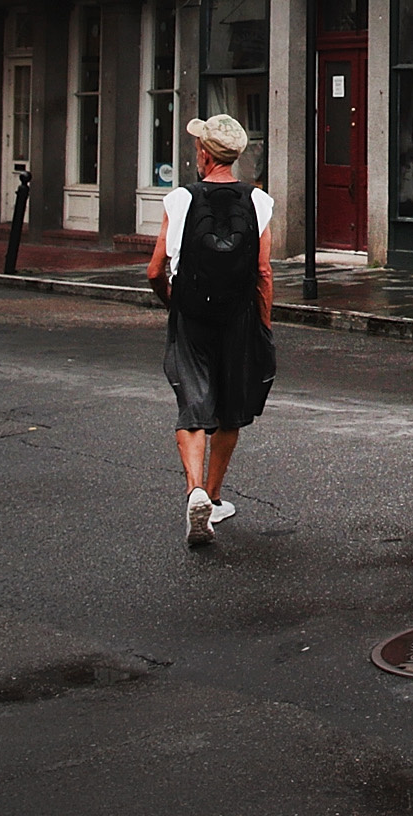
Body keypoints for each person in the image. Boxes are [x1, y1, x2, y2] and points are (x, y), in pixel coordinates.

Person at [146, 114, 275, 546]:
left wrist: (172, 302)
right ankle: (216, 498)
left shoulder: (181, 200)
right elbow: (263, 273)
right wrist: (263, 324)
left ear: (204, 154)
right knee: (230, 406)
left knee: (192, 402)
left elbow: (153, 270)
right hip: (238, 315)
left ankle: (194, 491)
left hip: (191, 314)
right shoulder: (258, 202)